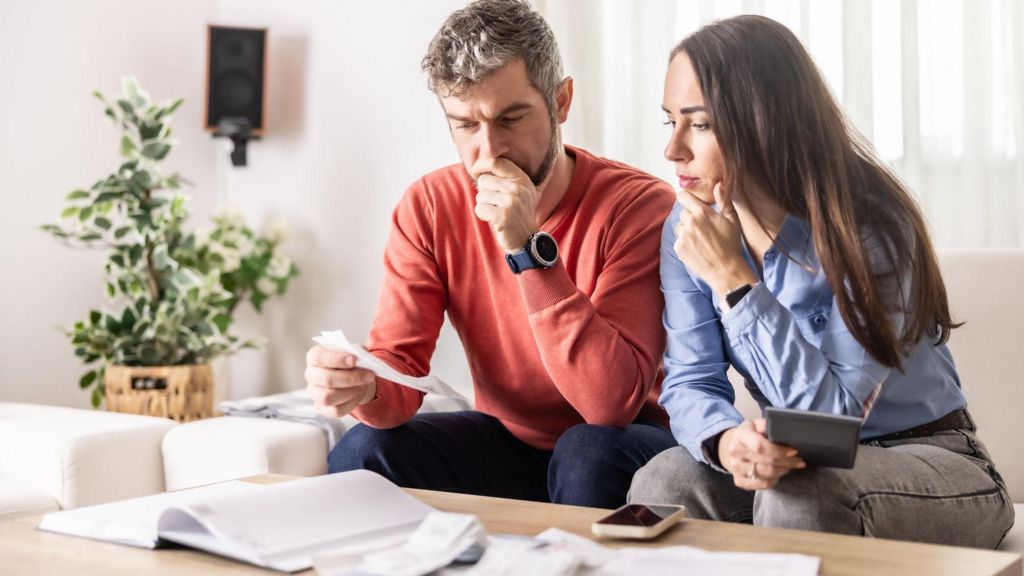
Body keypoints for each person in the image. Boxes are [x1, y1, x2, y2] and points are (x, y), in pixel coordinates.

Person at [628, 15, 1014, 547]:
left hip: (933, 461)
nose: (673, 150)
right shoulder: (688, 226)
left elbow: (832, 419)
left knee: (805, 495)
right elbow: (691, 380)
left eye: (699, 124)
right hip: (798, 459)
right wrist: (725, 442)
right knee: (662, 480)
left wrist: (737, 283)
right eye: (668, 120)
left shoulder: (871, 223)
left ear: (761, 120)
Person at [304, 0, 676, 508]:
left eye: (511, 118)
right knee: (364, 451)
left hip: (626, 442)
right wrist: (365, 385)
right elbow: (402, 374)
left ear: (562, 101)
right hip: (508, 443)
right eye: (465, 125)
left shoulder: (638, 206)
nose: (488, 151)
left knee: (586, 451)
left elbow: (608, 405)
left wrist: (528, 250)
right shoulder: (429, 206)